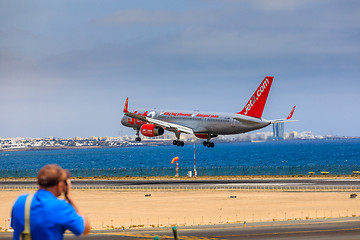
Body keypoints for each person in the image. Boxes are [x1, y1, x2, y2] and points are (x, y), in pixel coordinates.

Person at [11, 164, 91, 239]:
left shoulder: (21, 202)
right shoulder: (60, 207)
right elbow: (85, 229)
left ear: (38, 182)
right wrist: (69, 196)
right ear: (60, 185)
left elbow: (14, 225)